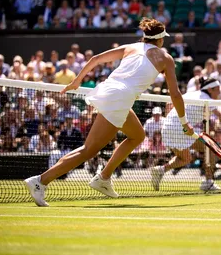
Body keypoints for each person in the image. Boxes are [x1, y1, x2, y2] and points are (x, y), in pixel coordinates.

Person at [23, 18, 194, 207]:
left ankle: (103, 177)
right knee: (89, 150)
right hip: (119, 97)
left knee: (137, 135)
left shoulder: (131, 47)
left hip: (109, 91)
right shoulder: (165, 58)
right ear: (161, 40)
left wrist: (77, 81)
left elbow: (95, 59)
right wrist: (184, 123)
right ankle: (40, 181)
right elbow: (176, 95)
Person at [152, 77, 221, 192]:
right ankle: (208, 182)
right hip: (181, 129)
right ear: (211, 89)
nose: (219, 92)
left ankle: (161, 170)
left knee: (186, 158)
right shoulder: (207, 99)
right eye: (217, 89)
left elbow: (169, 104)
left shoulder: (190, 94)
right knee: (211, 148)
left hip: (167, 128)